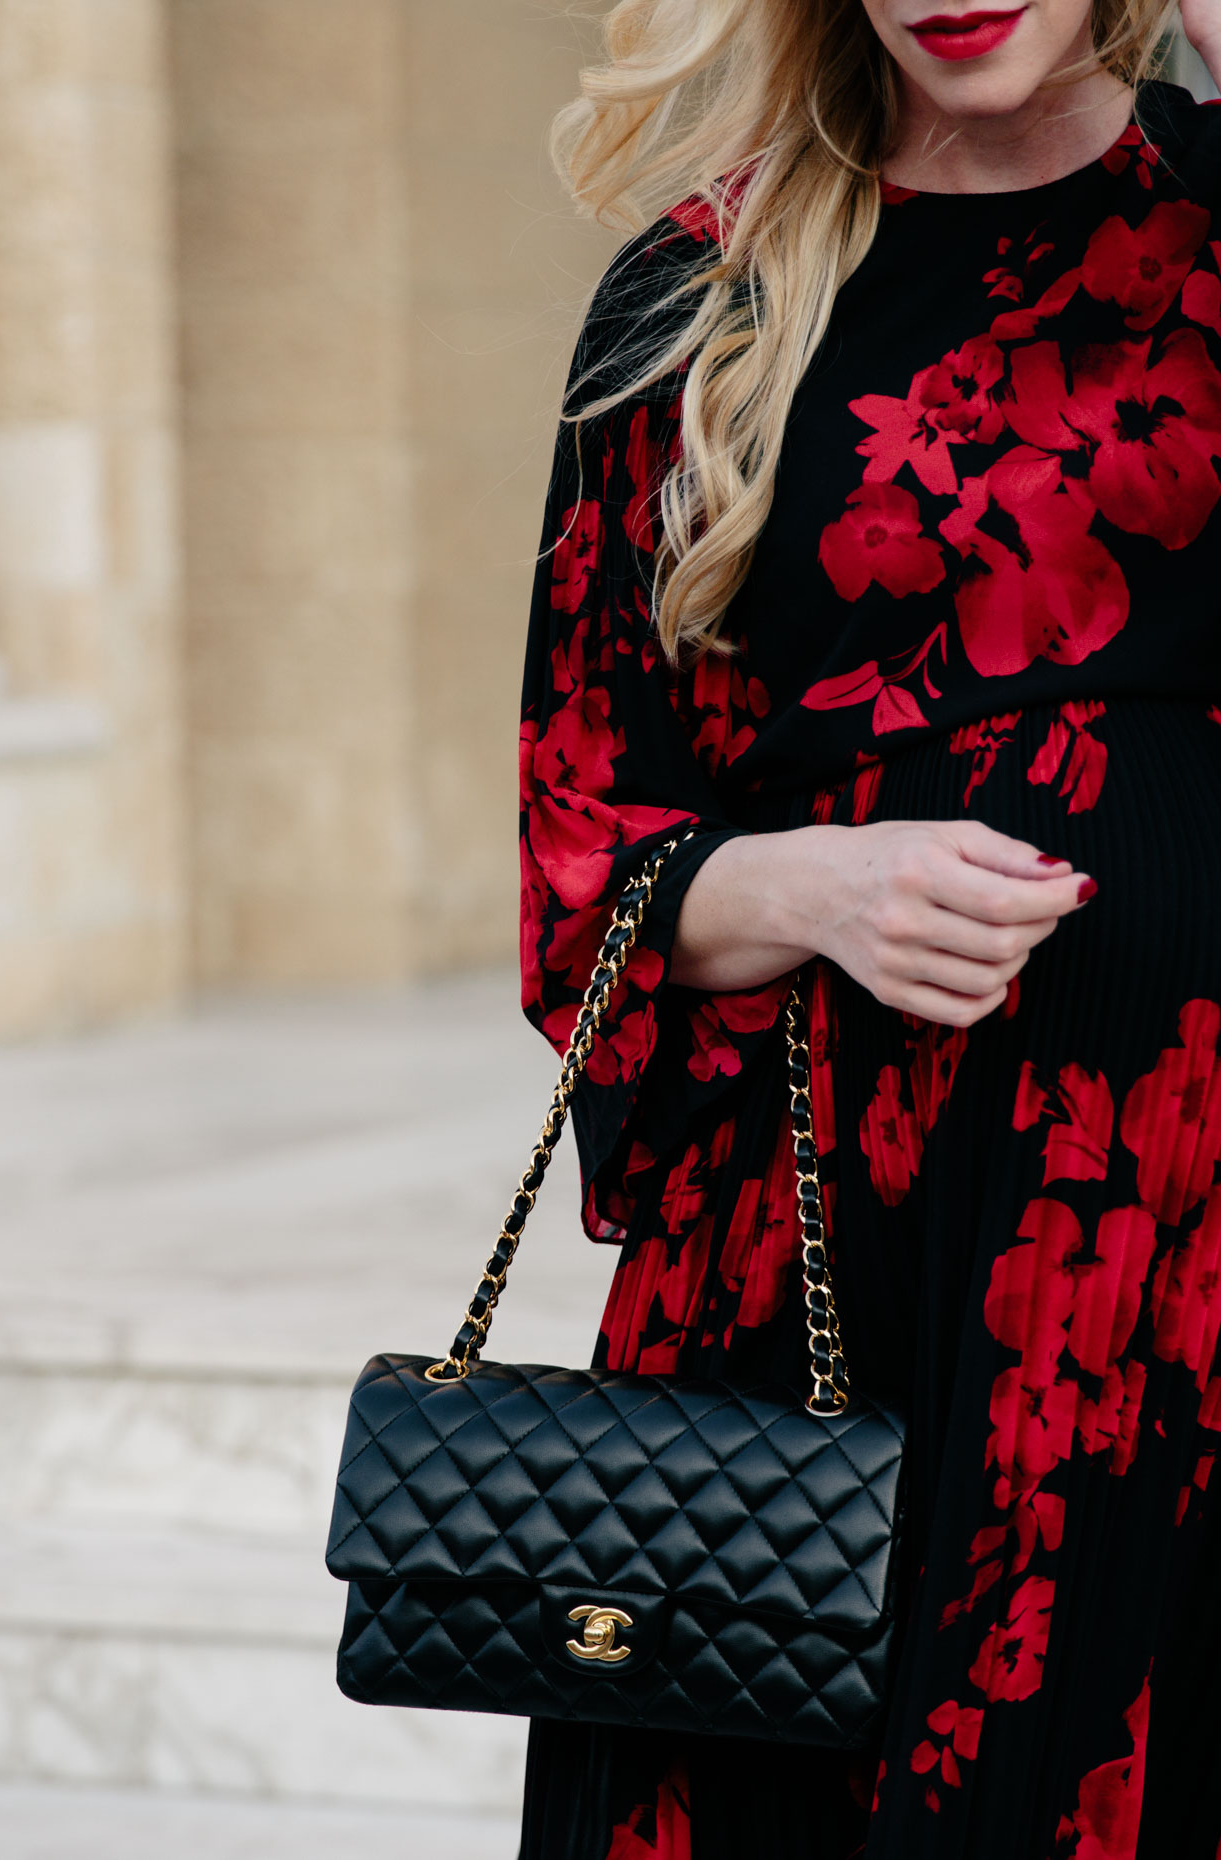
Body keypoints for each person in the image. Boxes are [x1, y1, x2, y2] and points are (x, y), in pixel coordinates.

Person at [516, 3, 1221, 1855]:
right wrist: (813, 884)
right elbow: (580, 848)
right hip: (819, 1287)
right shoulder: (701, 298)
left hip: (1186, 1294)